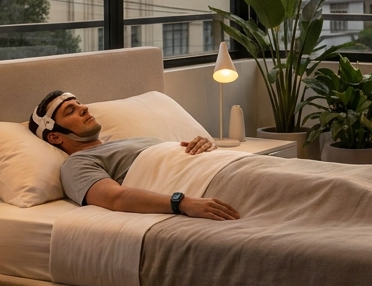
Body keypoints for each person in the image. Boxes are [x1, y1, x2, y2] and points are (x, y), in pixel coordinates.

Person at [28, 90, 240, 220]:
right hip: (210, 185)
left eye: (79, 103)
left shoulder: (129, 141)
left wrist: (204, 145)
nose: (84, 108)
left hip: (225, 166)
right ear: (55, 137)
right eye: (70, 111)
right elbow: (115, 198)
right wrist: (181, 203)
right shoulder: (77, 163)